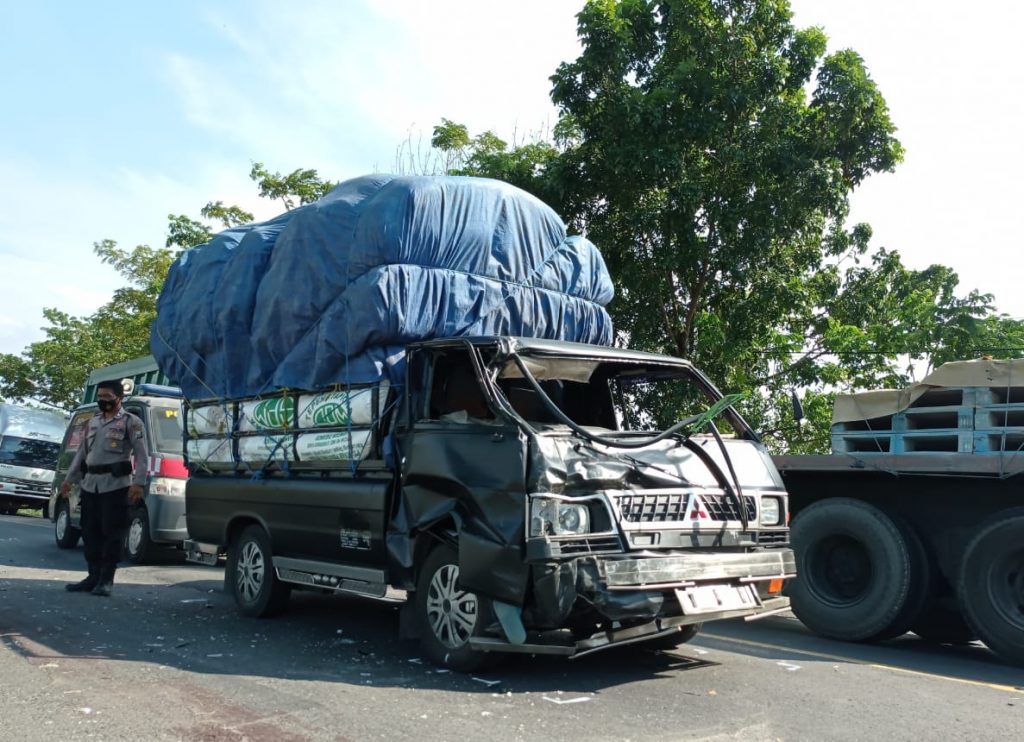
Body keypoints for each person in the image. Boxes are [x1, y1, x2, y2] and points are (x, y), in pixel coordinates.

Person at [59, 379, 148, 596]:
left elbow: (142, 455)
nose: (102, 401)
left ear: (120, 398)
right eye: (99, 397)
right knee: (90, 532)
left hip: (115, 486)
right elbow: (82, 454)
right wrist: (68, 480)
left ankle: (106, 579)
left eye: (107, 397)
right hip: (90, 485)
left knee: (112, 533)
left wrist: (138, 483)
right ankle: (92, 576)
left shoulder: (131, 422)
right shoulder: (92, 422)